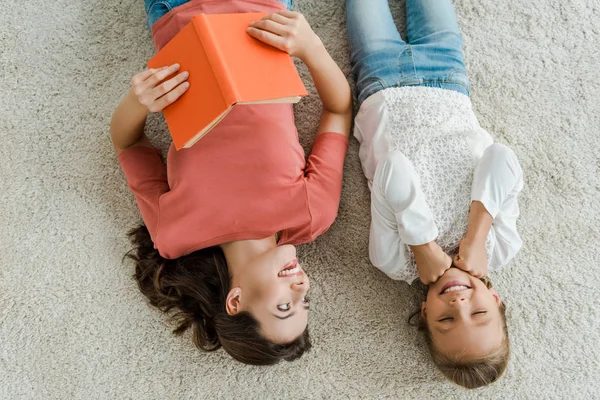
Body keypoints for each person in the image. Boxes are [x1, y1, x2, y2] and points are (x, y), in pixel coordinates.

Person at [110, 0, 352, 365]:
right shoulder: (311, 214)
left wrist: (138, 101)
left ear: (235, 300)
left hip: (176, 14)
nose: (302, 286)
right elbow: (338, 110)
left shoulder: (174, 235)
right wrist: (311, 48)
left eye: (285, 305)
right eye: (306, 301)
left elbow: (127, 143)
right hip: (261, 9)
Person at [346, 0, 524, 388]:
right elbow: (501, 158)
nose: (460, 305)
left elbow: (394, 167)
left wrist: (422, 245)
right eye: (478, 313)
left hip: (381, 82)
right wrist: (477, 236)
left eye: (446, 320)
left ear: (424, 313)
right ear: (496, 302)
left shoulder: (394, 262)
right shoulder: (501, 246)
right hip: (448, 78)